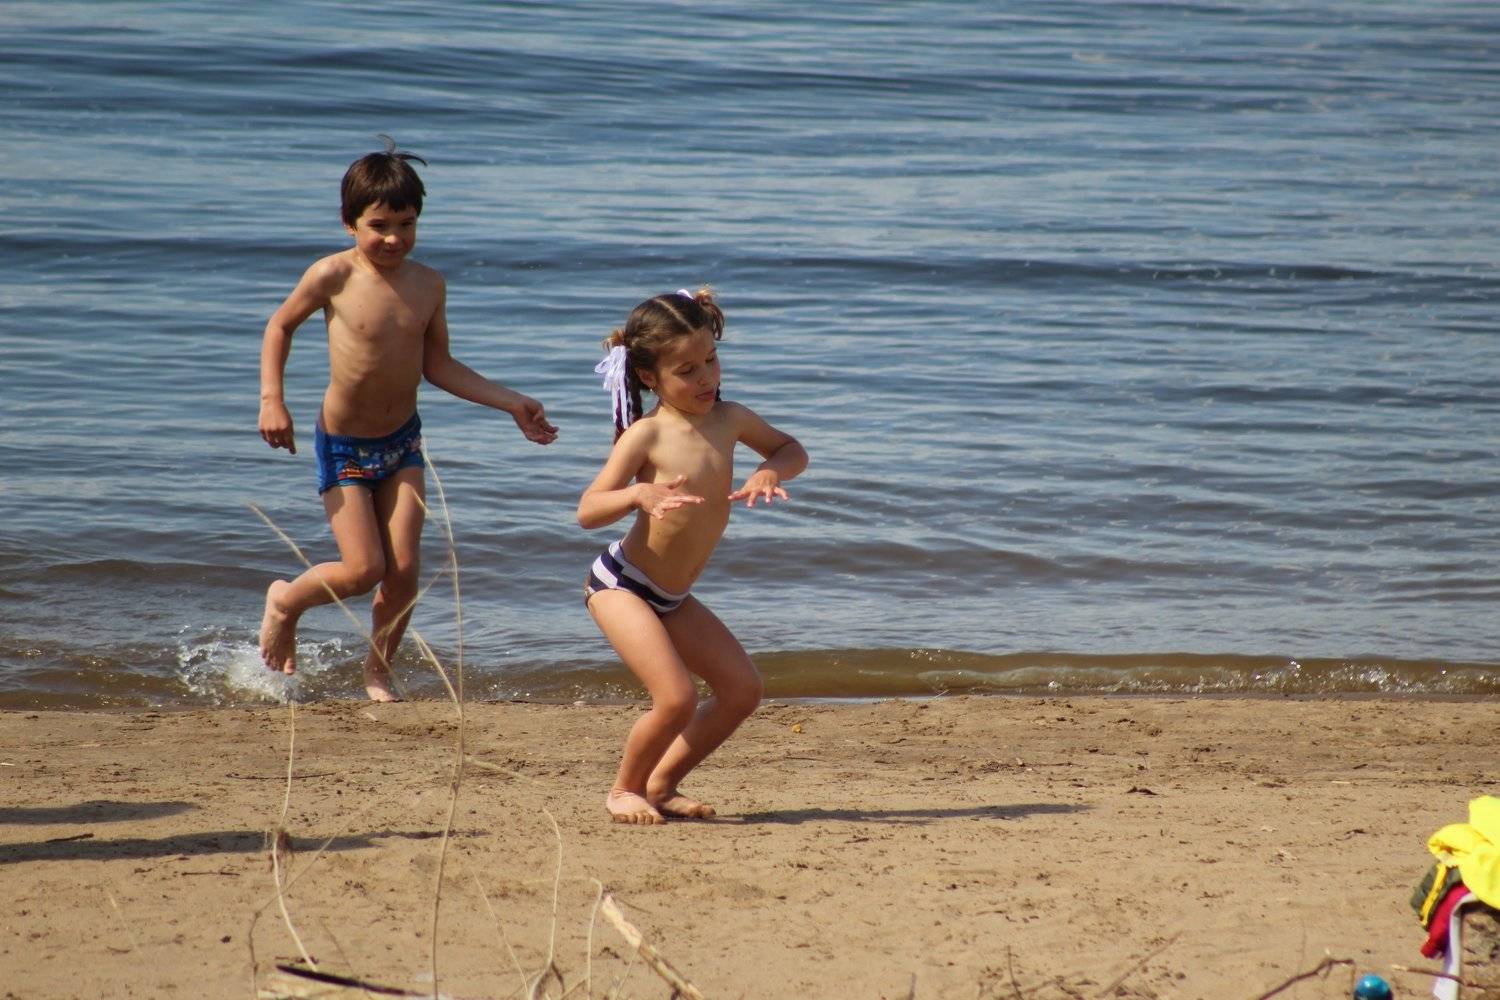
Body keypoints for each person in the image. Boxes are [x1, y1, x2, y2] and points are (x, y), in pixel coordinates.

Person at [257, 138, 557, 701]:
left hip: (402, 444)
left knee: (404, 572)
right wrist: (273, 399)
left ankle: (378, 670)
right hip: (344, 446)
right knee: (362, 569)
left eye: (406, 224)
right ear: (349, 223)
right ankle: (286, 601)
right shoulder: (332, 275)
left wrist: (511, 401)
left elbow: (438, 365)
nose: (394, 237)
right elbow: (279, 327)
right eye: (379, 225)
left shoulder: (428, 284)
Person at [577, 287, 808, 824]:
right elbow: (588, 509)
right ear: (649, 377)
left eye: (711, 360)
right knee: (676, 698)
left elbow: (791, 448)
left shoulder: (731, 418)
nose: (706, 378)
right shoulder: (646, 435)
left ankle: (661, 785)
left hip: (672, 596)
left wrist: (770, 470)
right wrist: (638, 493)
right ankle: (624, 789)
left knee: (742, 690)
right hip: (621, 585)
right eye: (686, 370)